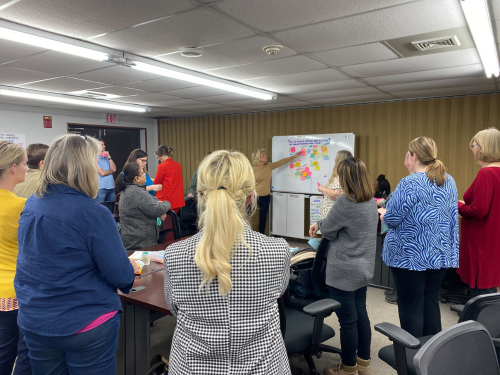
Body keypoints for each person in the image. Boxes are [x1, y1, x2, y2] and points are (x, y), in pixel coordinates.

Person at [14, 135, 138, 375]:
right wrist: (129, 268)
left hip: (35, 319)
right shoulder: (93, 213)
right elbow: (121, 277)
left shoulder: (33, 203)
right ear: (84, 167)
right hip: (85, 323)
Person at [164, 150, 291, 375]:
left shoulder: (174, 254)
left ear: (200, 197)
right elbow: (279, 291)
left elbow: (175, 308)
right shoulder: (279, 250)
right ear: (252, 197)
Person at [379, 136, 459, 339]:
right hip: (439, 255)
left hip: (409, 257)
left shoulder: (410, 182)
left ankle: (411, 360)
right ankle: (431, 358)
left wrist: (383, 214)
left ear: (413, 156)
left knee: (410, 308)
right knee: (430, 303)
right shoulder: (448, 180)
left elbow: (394, 218)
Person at [310, 158, 378, 375]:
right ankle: (363, 363)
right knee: (361, 315)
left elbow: (329, 231)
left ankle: (348, 368)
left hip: (343, 271)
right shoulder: (369, 201)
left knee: (348, 322)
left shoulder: (345, 203)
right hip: (363, 269)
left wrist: (318, 224)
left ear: (346, 178)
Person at [0, 141, 31, 375]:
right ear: (12, 167)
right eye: (24, 163)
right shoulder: (22, 206)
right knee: (25, 353)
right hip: (16, 292)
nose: (27, 169)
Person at [458, 127, 500, 297]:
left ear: (482, 148)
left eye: (473, 144)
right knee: (489, 292)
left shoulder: (486, 174)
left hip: (481, 243)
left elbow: (479, 210)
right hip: (493, 241)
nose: (473, 149)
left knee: (482, 294)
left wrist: (458, 206)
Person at [378, 154, 413, 305]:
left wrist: (384, 213)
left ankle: (399, 293)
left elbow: (391, 212)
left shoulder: (407, 183)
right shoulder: (446, 180)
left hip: (405, 243)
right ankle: (397, 290)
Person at [117, 163, 171, 250]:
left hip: (132, 238)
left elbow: (148, 203)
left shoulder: (127, 189)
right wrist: (166, 203)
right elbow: (158, 210)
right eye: (142, 173)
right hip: (140, 243)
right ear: (136, 178)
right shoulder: (137, 192)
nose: (145, 174)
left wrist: (158, 203)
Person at [251, 148, 300, 234]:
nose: (266, 156)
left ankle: (261, 236)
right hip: (253, 196)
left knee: (262, 218)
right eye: (263, 155)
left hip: (265, 197)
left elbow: (281, 162)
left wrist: (294, 156)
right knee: (248, 216)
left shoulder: (269, 167)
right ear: (258, 158)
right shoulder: (251, 169)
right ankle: (246, 236)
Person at [317, 150, 353, 219]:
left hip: (333, 217)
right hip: (330, 217)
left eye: (336, 157)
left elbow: (337, 194)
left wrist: (323, 188)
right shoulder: (342, 174)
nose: (334, 159)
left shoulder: (343, 175)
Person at [154, 145, 185, 213]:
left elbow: (156, 182)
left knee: (166, 222)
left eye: (158, 156)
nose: (158, 159)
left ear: (162, 155)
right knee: (173, 221)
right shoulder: (178, 165)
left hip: (166, 200)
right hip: (177, 200)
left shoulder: (162, 166)